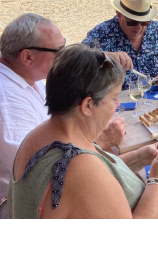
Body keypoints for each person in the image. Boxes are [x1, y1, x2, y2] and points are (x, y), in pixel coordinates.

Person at [8, 44, 158, 219]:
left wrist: (139, 157)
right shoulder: (79, 166)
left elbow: (102, 175)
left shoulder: (42, 134)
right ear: (87, 105)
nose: (118, 104)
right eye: (114, 98)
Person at [0, 14, 126, 217]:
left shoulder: (29, 79)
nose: (63, 56)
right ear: (27, 57)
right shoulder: (7, 101)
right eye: (59, 51)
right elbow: (37, 170)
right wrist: (100, 140)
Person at [82, 0, 158, 90]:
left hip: (156, 98)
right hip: (118, 102)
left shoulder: (157, 30)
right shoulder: (102, 33)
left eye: (144, 22)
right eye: (133, 22)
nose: (139, 27)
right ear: (119, 15)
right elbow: (75, 60)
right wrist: (104, 56)